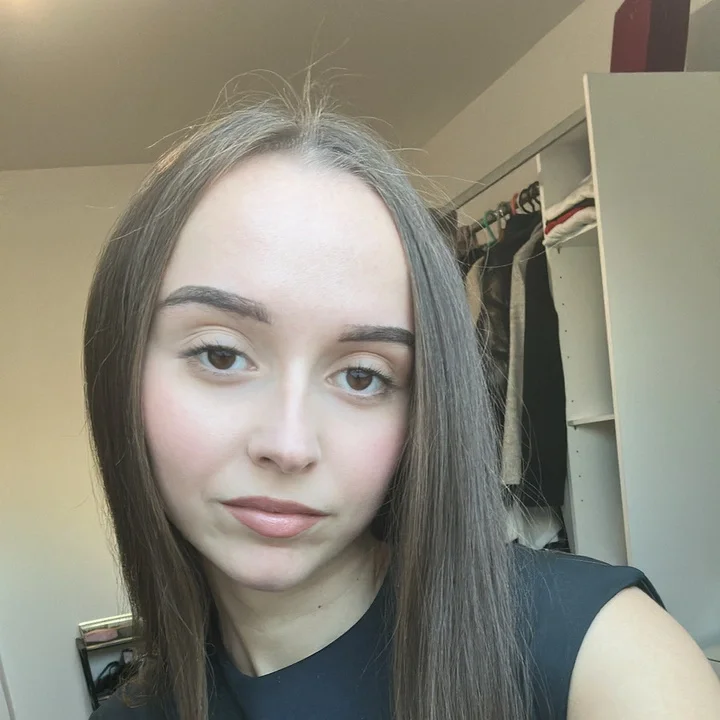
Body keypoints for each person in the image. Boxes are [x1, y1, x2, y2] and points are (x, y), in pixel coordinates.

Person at [83, 91, 720, 720]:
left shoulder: (600, 652)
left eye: (362, 376)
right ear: (122, 371)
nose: (289, 444)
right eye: (221, 355)